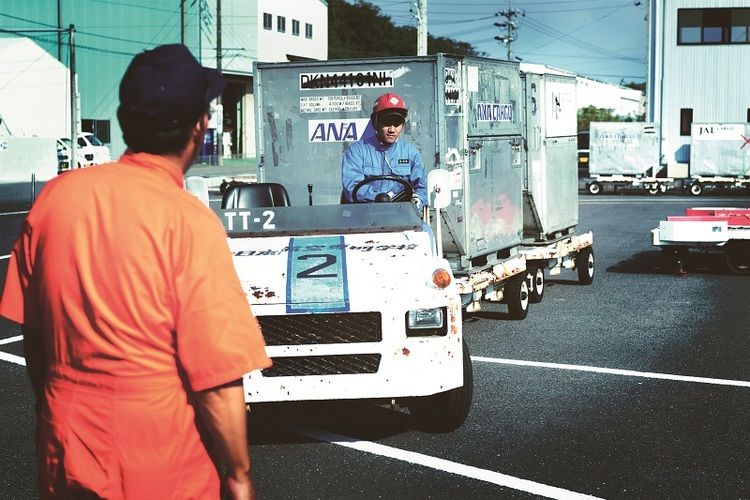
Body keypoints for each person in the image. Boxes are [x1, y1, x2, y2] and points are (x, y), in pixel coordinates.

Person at [0, 44, 271, 500]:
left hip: (67, 451)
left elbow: (36, 336)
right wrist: (239, 476)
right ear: (199, 128)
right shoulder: (189, 222)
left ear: (125, 122)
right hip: (162, 465)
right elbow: (218, 380)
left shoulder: (55, 198)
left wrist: (55, 409)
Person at [341, 92, 427, 207]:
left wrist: (418, 200)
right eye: (387, 122)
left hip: (401, 214)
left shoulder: (411, 153)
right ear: (375, 122)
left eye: (397, 123)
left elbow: (421, 187)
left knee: (424, 226)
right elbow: (351, 186)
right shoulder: (356, 152)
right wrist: (378, 198)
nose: (392, 129)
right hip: (365, 214)